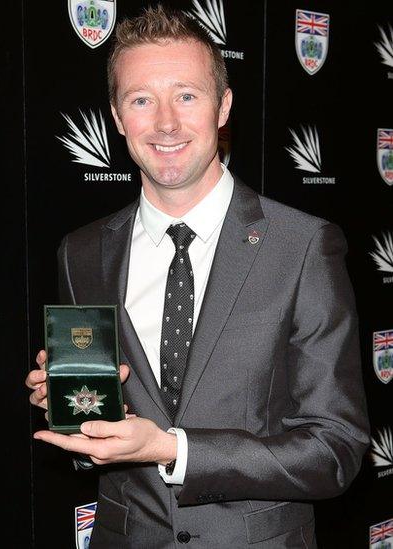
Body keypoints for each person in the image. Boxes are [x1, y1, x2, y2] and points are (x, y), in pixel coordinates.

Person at [26, 5, 370, 548]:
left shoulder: (302, 246)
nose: (165, 122)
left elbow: (335, 451)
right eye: (142, 100)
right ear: (117, 117)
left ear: (223, 106)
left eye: (186, 95)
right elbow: (106, 414)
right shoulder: (82, 251)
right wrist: (79, 404)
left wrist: (171, 448)